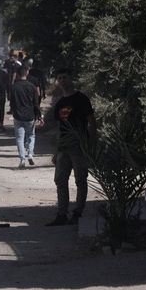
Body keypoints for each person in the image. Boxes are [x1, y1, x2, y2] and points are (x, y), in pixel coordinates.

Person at [47, 69, 95, 226]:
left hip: (79, 145)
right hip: (63, 147)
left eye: (65, 77)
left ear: (71, 79)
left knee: (80, 180)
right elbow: (59, 128)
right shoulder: (60, 102)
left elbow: (91, 121)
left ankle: (78, 212)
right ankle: (62, 214)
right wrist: (56, 151)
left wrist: (91, 143)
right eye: (59, 78)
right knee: (60, 180)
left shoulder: (81, 99)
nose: (62, 80)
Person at [10, 67, 43, 168]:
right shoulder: (32, 87)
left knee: (20, 139)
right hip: (30, 116)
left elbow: (12, 103)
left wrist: (14, 112)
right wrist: (39, 116)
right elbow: (36, 103)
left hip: (18, 116)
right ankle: (30, 154)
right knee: (31, 136)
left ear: (18, 75)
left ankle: (22, 159)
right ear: (27, 73)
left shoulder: (14, 87)